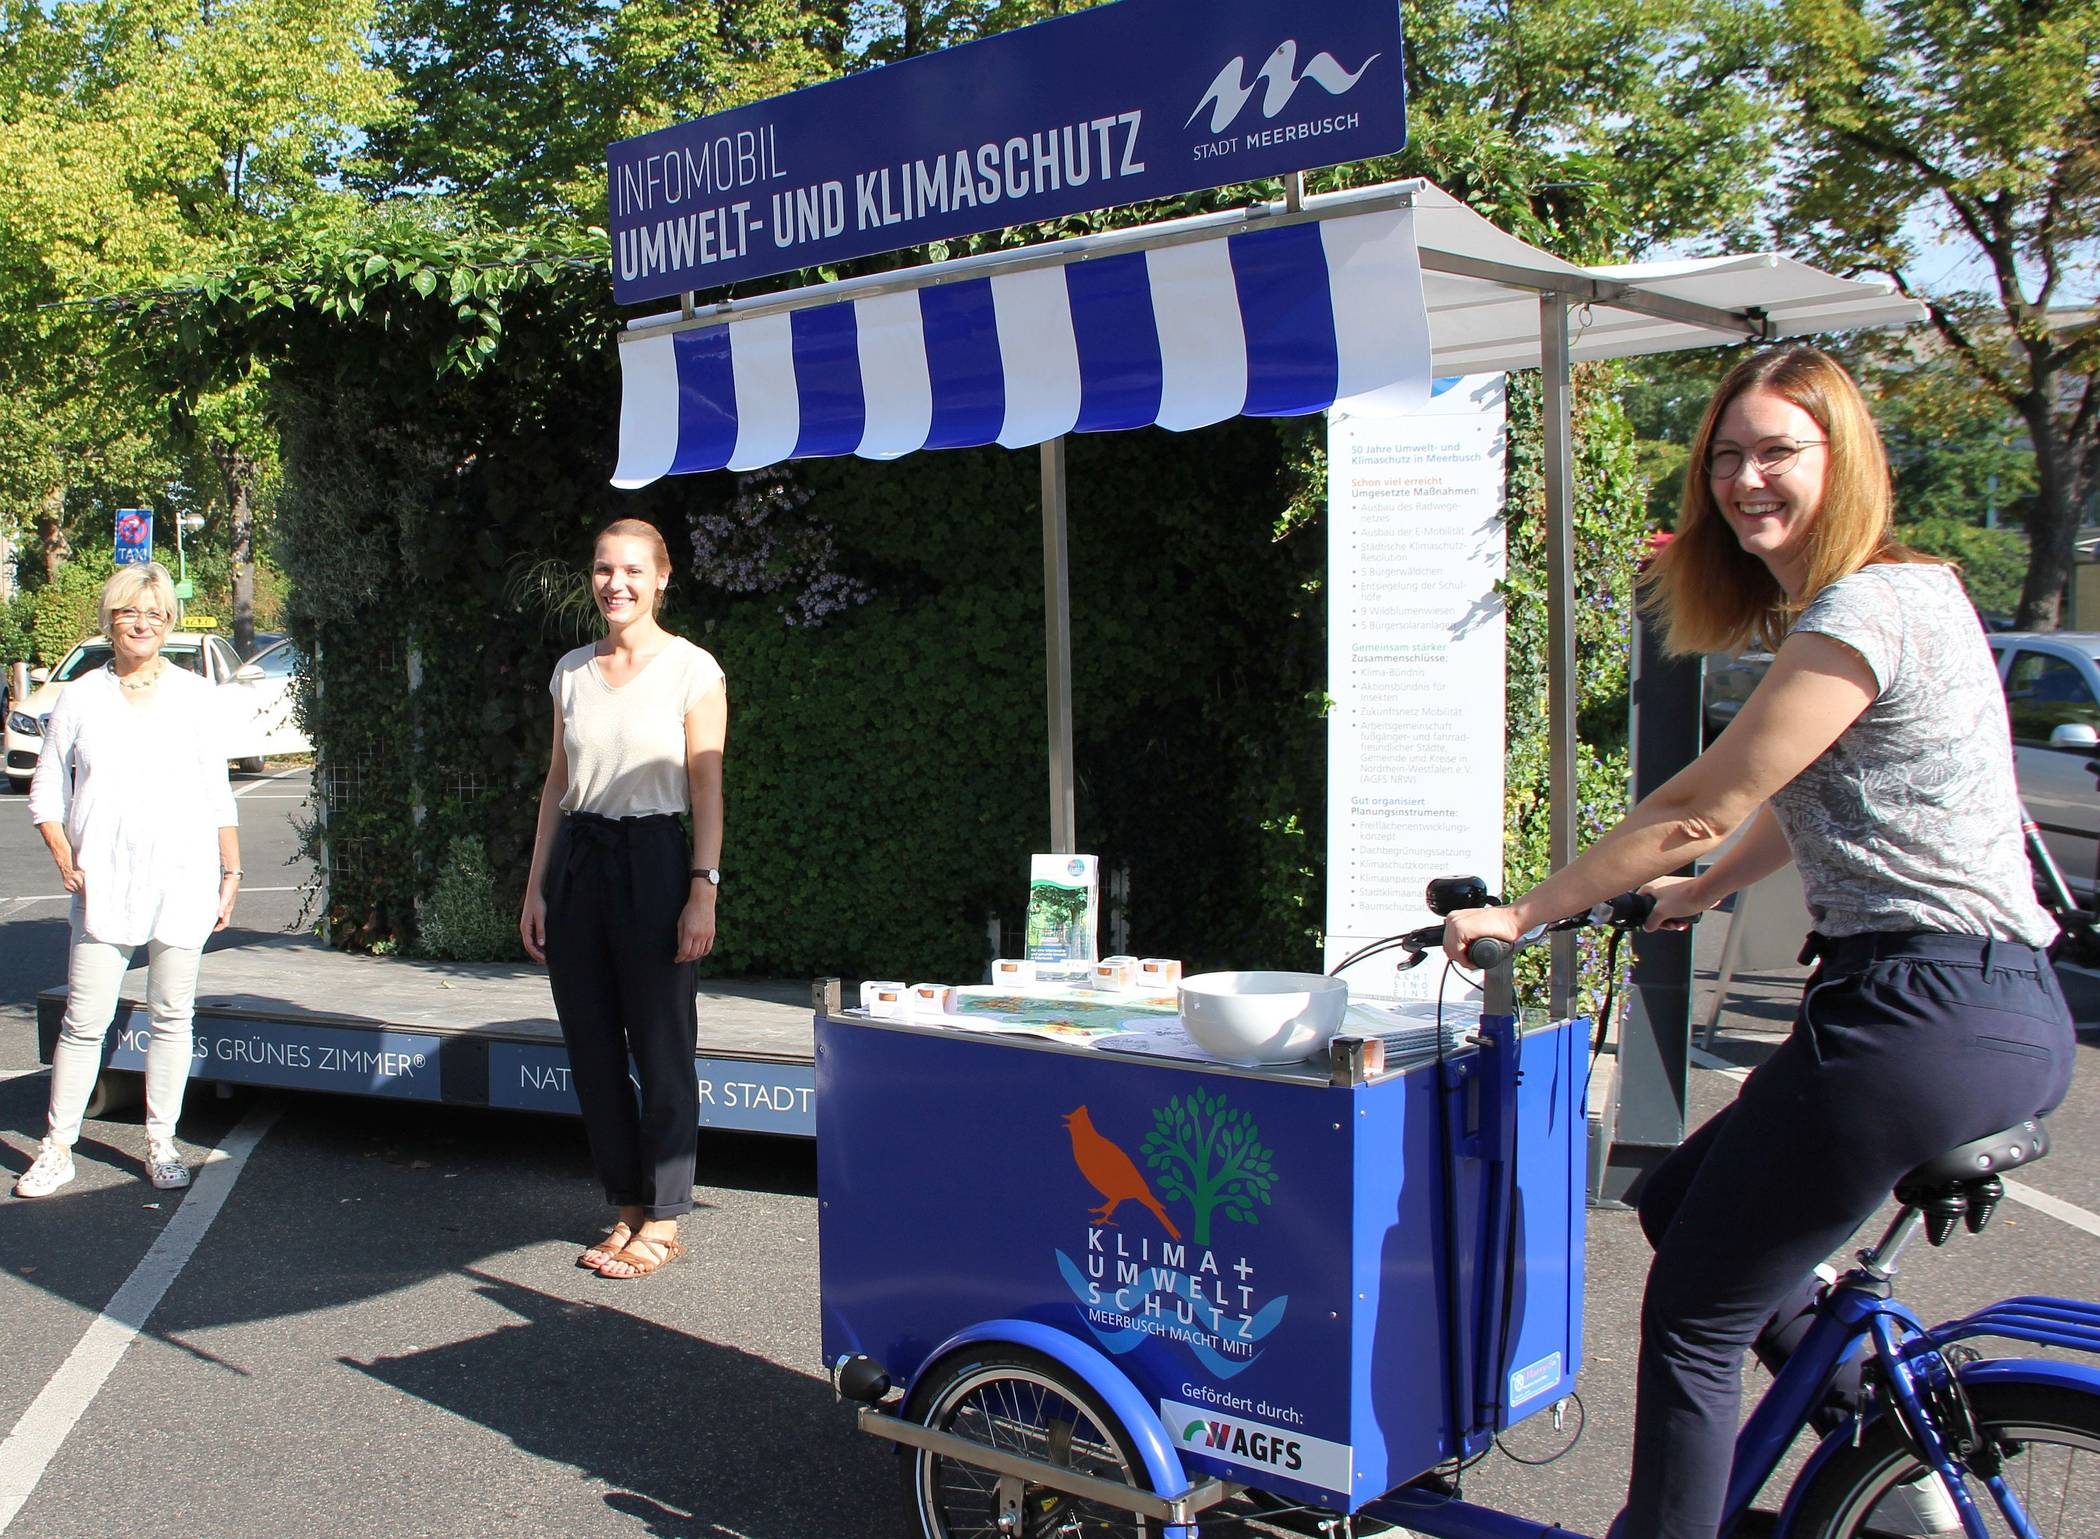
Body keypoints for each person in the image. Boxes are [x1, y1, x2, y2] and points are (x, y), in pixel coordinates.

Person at [1444, 347, 2076, 1539]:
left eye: (1778, 450)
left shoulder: (1865, 605)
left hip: (1915, 1013)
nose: (1745, 479)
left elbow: (1707, 797)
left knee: (1693, 1316)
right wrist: (1702, 891)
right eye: (1726, 456)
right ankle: (1889, 1447)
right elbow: (1819, 798)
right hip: (2003, 1008)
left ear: (1844, 462)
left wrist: (1527, 913)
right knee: (1684, 1203)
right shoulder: (1920, 593)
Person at [520, 518, 726, 1280]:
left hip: (654, 862)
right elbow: (556, 781)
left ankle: (667, 1214)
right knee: (594, 1050)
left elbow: (706, 784)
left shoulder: (692, 670)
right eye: (605, 569)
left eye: (633, 570)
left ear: (662, 577)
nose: (617, 583)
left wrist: (701, 888)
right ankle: (626, 1205)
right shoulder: (571, 671)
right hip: (580, 860)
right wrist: (538, 886)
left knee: (663, 1046)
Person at [15, 563, 241, 1198]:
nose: (140, 624)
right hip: (103, 884)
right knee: (84, 1022)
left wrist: (232, 871)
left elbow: (216, 790)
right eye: (128, 613)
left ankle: (162, 1141)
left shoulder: (194, 694)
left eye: (154, 614)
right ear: (110, 619)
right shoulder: (81, 696)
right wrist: (63, 855)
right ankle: (56, 1147)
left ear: (169, 622)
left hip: (184, 876)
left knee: (173, 1015)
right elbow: (46, 788)